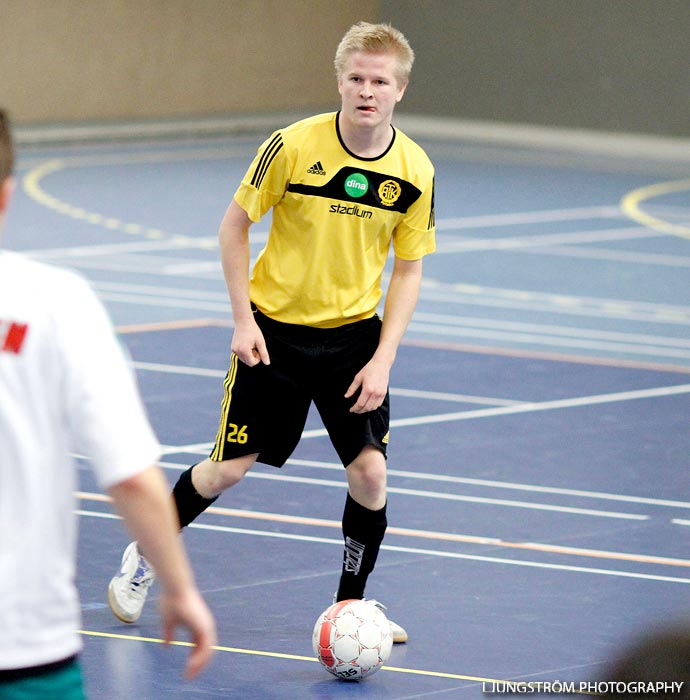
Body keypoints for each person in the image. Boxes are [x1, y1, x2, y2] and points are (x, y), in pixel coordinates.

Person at [109, 20, 435, 644]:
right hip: (273, 337)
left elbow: (408, 269)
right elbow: (234, 227)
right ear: (340, 82)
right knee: (226, 471)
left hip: (352, 343)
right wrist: (242, 319)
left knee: (370, 474)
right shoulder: (291, 145)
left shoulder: (415, 169)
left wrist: (384, 357)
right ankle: (145, 553)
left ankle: (350, 612)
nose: (368, 91)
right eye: (357, 79)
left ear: (400, 91)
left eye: (381, 82)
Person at [0, 109, 217, 700]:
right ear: (7, 192)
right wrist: (177, 583)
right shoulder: (58, 304)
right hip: (23, 651)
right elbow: (131, 477)